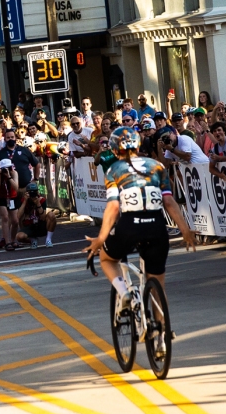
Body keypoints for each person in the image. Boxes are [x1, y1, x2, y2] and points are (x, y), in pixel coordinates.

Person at [83, 127, 197, 355]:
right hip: (157, 227)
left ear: (115, 149)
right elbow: (169, 202)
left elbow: (114, 207)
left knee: (107, 258)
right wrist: (185, 229)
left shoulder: (114, 169)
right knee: (158, 286)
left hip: (129, 227)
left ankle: (124, 292)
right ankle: (162, 337)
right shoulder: (157, 166)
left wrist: (100, 238)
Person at [0, 129, 40, 195]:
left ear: (15, 138)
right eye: (8, 138)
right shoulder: (1, 153)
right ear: (5, 139)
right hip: (9, 190)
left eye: (12, 137)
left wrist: (36, 179)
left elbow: (37, 164)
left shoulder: (24, 150)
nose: (10, 139)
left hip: (26, 188)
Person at [16, 182, 56, 249]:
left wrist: (38, 203)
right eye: (30, 192)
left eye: (34, 192)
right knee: (19, 237)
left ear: (37, 192)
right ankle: (32, 240)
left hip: (40, 224)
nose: (32, 195)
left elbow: (43, 217)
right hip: (29, 225)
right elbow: (18, 216)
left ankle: (48, 240)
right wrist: (25, 202)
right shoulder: (23, 200)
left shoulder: (41, 200)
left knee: (51, 215)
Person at [0, 158, 20, 251]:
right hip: (0, 197)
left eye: (8, 168)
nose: (6, 170)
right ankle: (7, 242)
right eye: (5, 168)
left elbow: (16, 188)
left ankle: (12, 240)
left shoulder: (14, 173)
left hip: (12, 197)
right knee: (5, 218)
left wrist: (9, 177)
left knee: (15, 220)